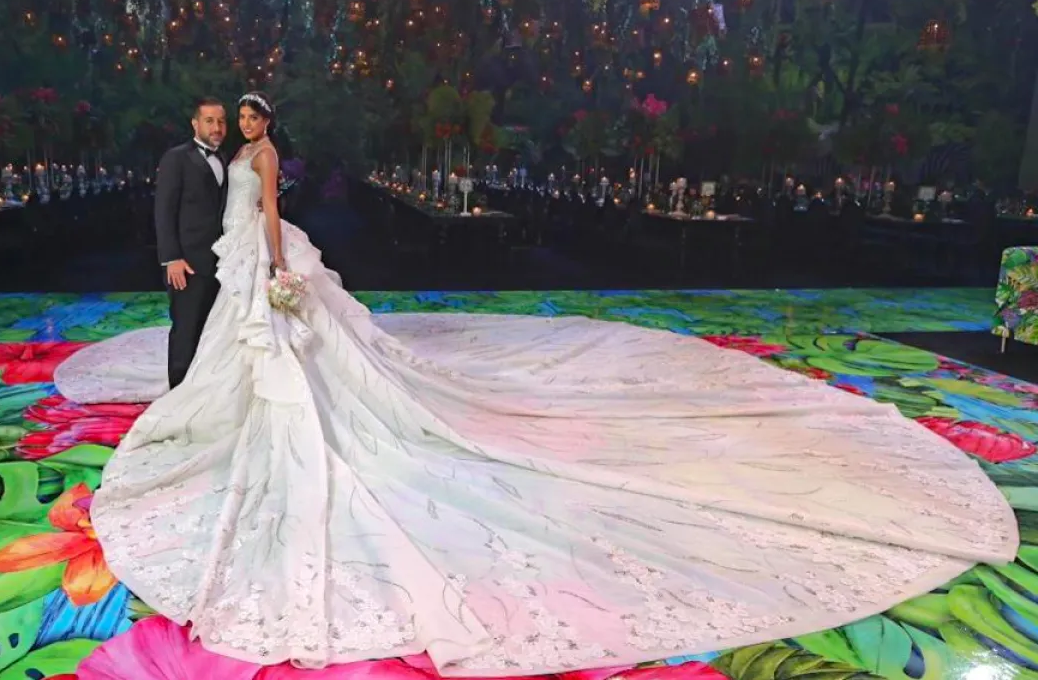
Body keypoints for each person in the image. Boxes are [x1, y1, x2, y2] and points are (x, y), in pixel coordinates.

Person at [55, 91, 1017, 676]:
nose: (243, 126)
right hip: (224, 262)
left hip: (260, 259)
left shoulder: (259, 161)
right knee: (228, 349)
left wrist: (274, 266)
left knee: (289, 357)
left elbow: (268, 216)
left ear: (267, 125)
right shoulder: (219, 156)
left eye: (252, 117)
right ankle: (208, 405)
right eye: (235, 117)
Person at [154, 97, 228, 389]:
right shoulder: (176, 158)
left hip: (221, 262)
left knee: (212, 331)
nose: (216, 127)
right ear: (195, 124)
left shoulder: (225, 159)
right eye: (209, 121)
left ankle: (203, 393)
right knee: (186, 330)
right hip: (186, 263)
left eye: (221, 121)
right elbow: (164, 210)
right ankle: (178, 395)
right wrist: (171, 258)